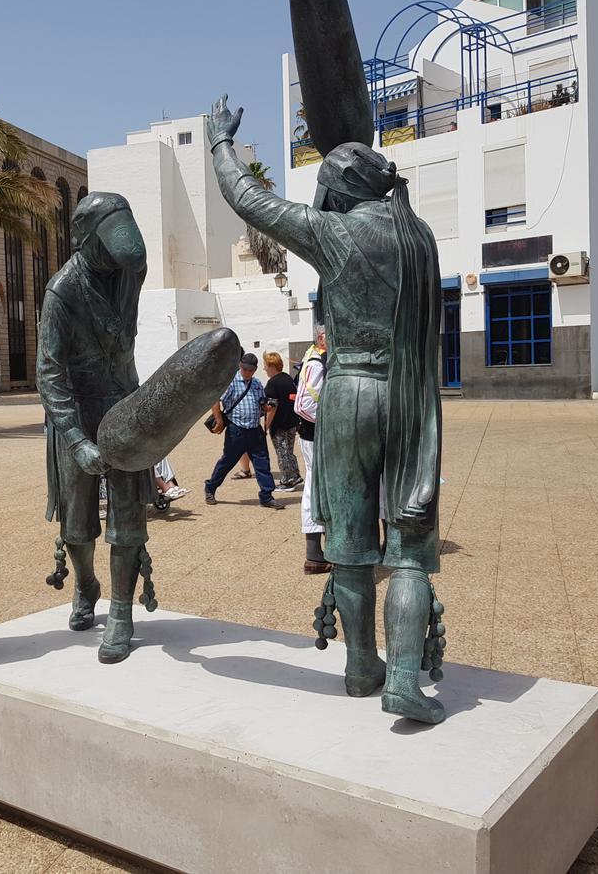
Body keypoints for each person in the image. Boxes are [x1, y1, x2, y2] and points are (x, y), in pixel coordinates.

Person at [208, 93, 444, 723]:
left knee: (349, 540)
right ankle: (401, 675)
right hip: (408, 396)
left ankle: (362, 662)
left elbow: (249, 200)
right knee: (412, 544)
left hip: (348, 393)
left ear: (338, 190)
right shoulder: (419, 238)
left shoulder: (333, 233)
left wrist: (220, 143)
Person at [37, 191, 154, 664]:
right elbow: (50, 372)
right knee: (77, 524)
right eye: (105, 245)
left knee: (128, 517)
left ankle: (122, 613)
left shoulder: (132, 272)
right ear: (84, 240)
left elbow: (135, 256)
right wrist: (76, 438)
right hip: (77, 411)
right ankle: (86, 583)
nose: (114, 257)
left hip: (124, 403)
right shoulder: (61, 292)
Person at [204, 353, 286, 509]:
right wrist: (219, 420)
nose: (247, 372)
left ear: (255, 370)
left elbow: (262, 404)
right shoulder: (232, 382)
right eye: (245, 368)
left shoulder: (256, 384)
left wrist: (267, 406)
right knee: (227, 462)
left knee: (262, 464)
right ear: (240, 366)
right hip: (237, 430)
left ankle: (266, 496)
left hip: (255, 429)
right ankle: (210, 487)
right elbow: (215, 399)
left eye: (251, 370)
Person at [295, 325, 330, 574]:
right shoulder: (316, 362)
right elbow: (304, 405)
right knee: (314, 487)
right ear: (321, 338)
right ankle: (314, 554)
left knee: (319, 487)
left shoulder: (316, 357)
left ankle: (319, 552)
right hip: (315, 436)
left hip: (318, 434)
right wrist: (332, 422)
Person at [262, 350, 303, 490]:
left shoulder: (272, 384)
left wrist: (266, 426)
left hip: (279, 424)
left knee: (282, 452)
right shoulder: (288, 379)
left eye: (266, 366)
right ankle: (295, 475)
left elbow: (272, 407)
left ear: (271, 366)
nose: (265, 369)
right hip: (292, 422)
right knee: (289, 451)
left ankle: (287, 480)